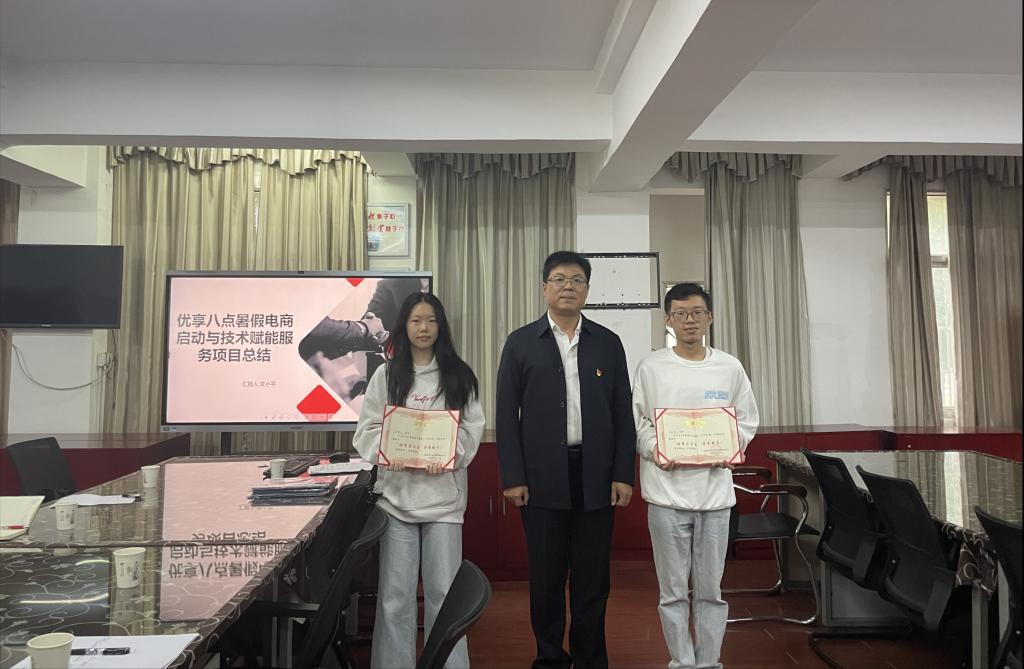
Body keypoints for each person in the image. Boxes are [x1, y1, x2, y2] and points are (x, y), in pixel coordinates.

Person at [496, 250, 636, 669]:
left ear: (587, 289)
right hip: (541, 478)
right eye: (559, 279)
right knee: (547, 578)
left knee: (593, 580)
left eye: (577, 280)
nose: (568, 287)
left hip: (596, 477)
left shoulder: (608, 343)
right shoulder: (521, 343)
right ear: (544, 288)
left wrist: (623, 474)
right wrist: (513, 476)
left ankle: (591, 659)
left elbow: (622, 413)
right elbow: (506, 416)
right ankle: (550, 658)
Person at [353, 291, 485, 669]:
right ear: (404, 326)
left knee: (445, 594)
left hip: (444, 502)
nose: (423, 328)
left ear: (440, 326)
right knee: (395, 597)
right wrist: (390, 450)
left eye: (431, 320)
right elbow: (366, 431)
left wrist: (446, 455)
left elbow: (471, 431)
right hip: (396, 501)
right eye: (415, 320)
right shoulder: (386, 375)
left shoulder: (459, 375)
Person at [631, 282, 759, 669]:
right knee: (672, 593)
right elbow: (638, 422)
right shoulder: (651, 367)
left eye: (697, 312)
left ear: (710, 318)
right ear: (668, 320)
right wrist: (656, 449)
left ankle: (709, 662)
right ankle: (682, 662)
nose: (690, 320)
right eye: (681, 313)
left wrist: (731, 446)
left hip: (715, 498)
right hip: (666, 496)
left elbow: (746, 420)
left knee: (710, 592)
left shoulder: (729, 366)